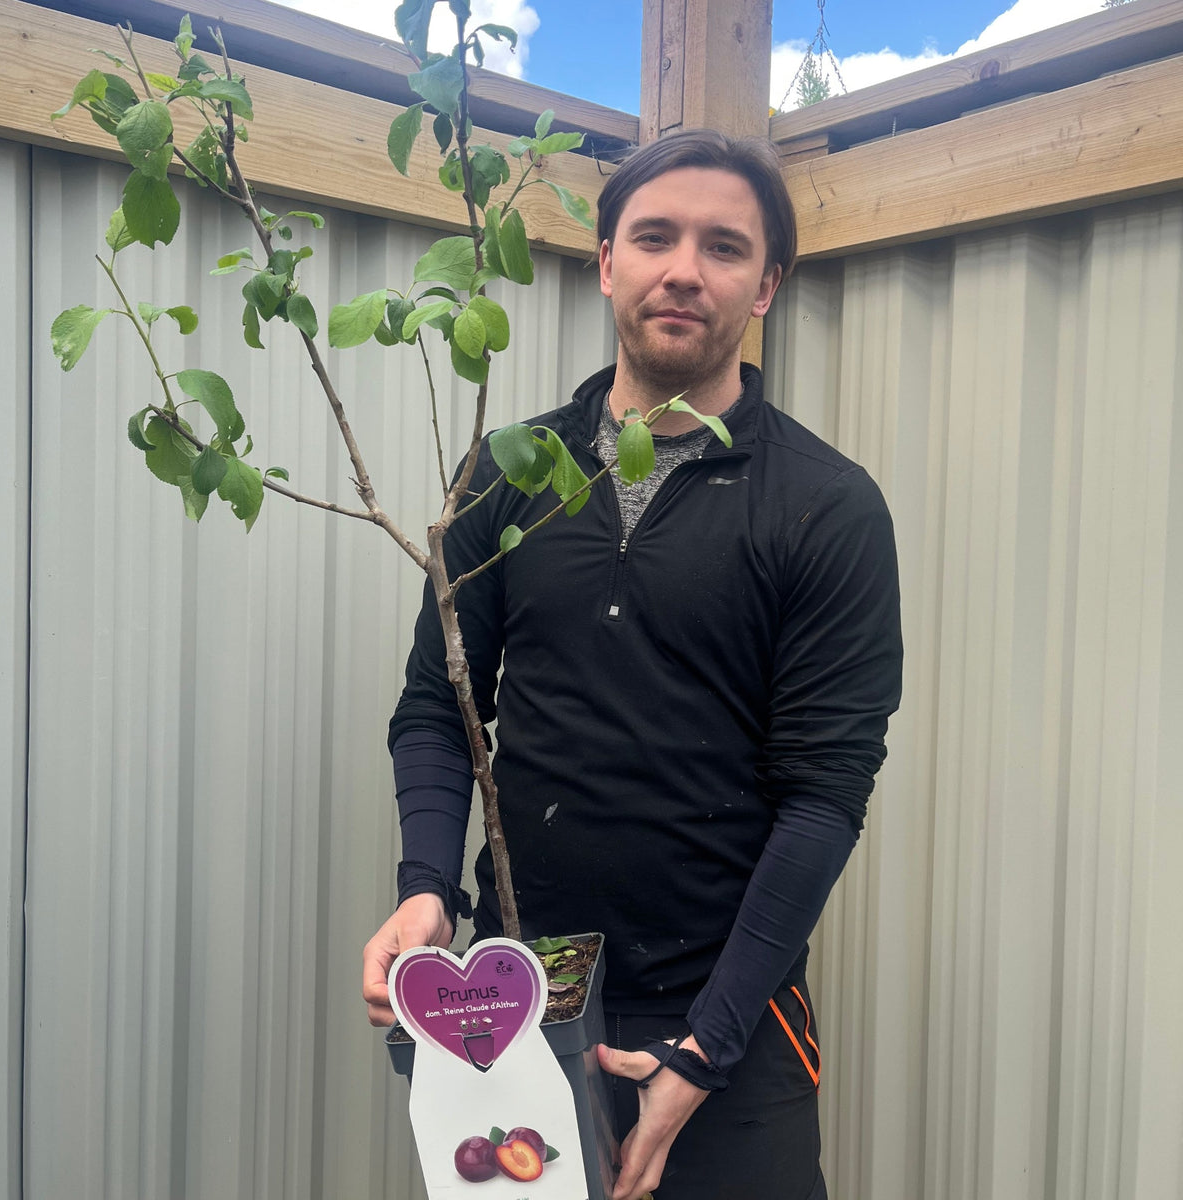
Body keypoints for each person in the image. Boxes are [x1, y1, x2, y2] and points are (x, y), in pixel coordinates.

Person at [363, 129, 903, 1200]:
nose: (683, 270)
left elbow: (824, 796)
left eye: (724, 248)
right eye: (654, 238)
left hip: (730, 1023)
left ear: (767, 286)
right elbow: (437, 710)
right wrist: (426, 889)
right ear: (607, 261)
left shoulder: (826, 506)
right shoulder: (507, 474)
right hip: (521, 1001)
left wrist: (706, 1049)